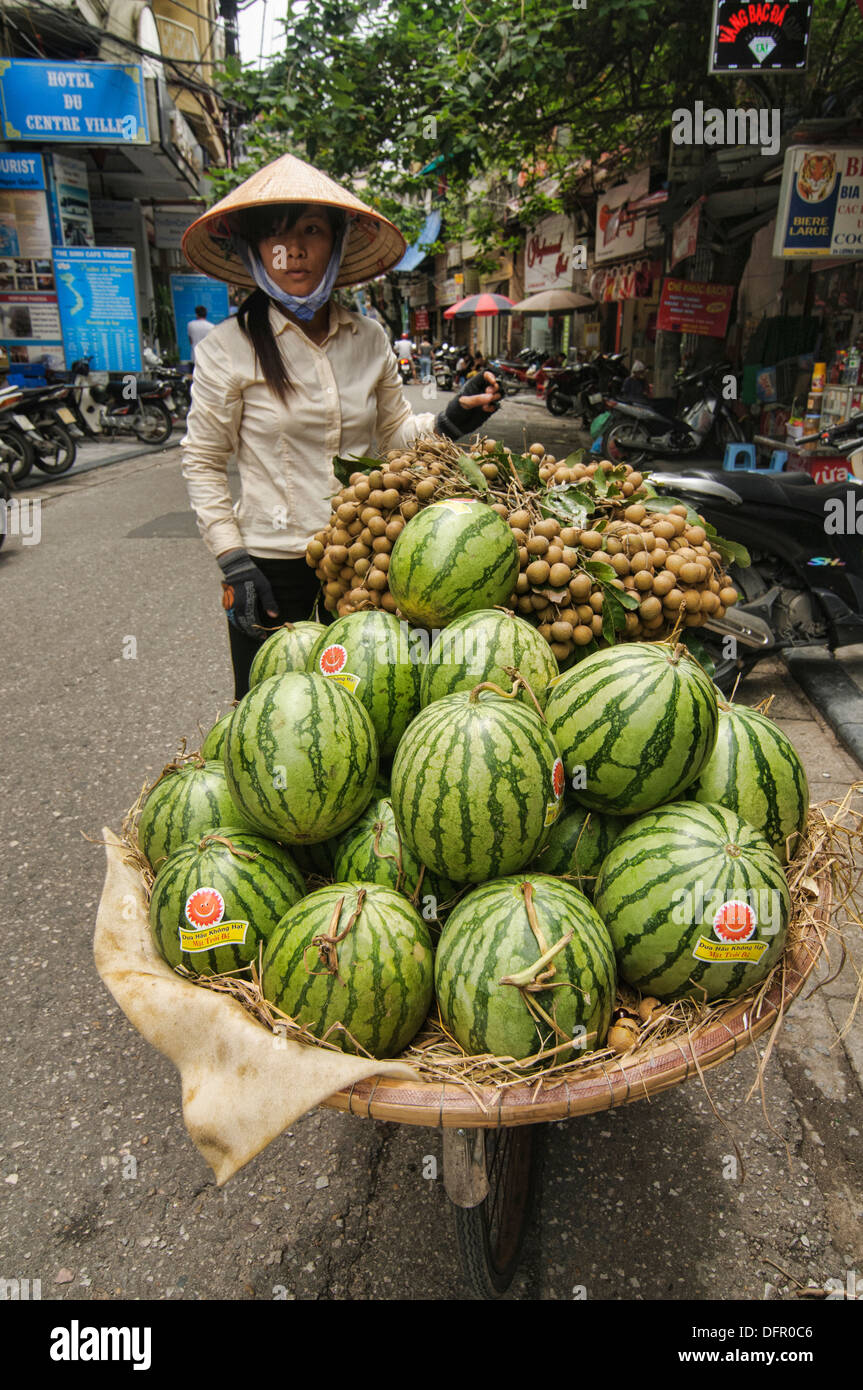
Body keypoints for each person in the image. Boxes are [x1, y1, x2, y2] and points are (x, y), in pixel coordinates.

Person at [179, 152, 501, 700]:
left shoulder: (369, 339)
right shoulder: (227, 349)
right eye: (276, 235)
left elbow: (393, 434)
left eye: (311, 230)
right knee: (272, 717)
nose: (295, 250)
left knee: (362, 713)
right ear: (255, 249)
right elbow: (203, 461)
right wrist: (233, 561)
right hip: (271, 568)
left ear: (337, 241)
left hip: (362, 561)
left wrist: (452, 418)